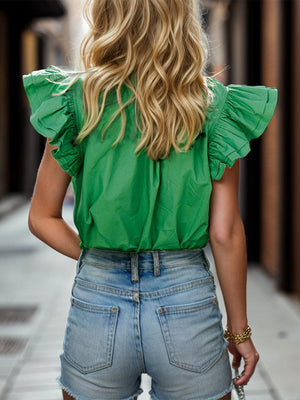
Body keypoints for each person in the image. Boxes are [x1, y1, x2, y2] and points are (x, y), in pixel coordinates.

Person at [22, 0, 278, 399]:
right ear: (183, 19)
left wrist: (99, 262)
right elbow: (225, 232)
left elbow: (42, 217)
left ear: (108, 18)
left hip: (98, 301)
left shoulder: (76, 101)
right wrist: (239, 332)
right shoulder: (212, 106)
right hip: (185, 299)